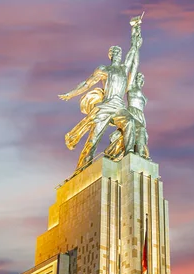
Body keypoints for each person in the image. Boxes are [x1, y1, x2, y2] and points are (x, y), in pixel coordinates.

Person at [59, 20, 143, 171]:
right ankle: (82, 166)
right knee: (94, 137)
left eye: (119, 52)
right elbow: (87, 84)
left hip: (119, 107)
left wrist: (135, 30)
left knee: (130, 122)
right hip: (106, 105)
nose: (117, 54)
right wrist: (71, 94)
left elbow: (133, 49)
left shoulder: (124, 69)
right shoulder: (104, 69)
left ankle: (130, 152)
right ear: (110, 55)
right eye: (114, 52)